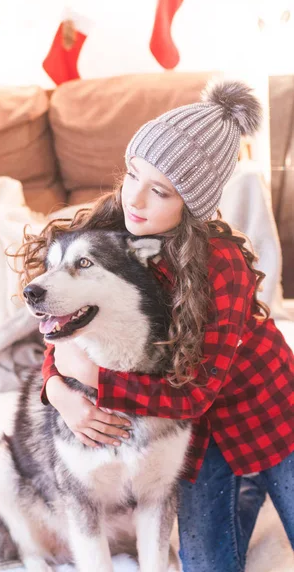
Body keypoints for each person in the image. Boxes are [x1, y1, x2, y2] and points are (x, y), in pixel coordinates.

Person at [18, 81, 294, 572]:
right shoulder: (113, 232)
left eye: (160, 191)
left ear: (192, 204)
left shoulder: (220, 265)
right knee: (207, 564)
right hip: (197, 437)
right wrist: (58, 389)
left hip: (267, 415)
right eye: (132, 175)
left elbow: (192, 397)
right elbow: (70, 323)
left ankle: (254, 485)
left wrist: (98, 381)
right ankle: (242, 494)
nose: (135, 199)